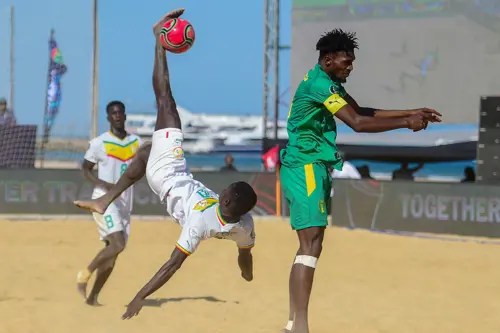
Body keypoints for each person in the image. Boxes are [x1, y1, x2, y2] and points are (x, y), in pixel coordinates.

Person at [74, 8, 256, 319]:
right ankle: (105, 200)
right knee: (145, 150)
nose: (222, 187)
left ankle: (159, 38)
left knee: (166, 100)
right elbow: (245, 253)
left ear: (225, 199)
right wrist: (246, 273)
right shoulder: (245, 226)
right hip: (171, 177)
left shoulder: (199, 225)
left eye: (225, 189)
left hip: (168, 176)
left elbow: (172, 265)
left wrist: (139, 297)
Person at [279, 29, 442, 333]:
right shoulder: (320, 85)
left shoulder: (326, 81)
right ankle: (298, 325)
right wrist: (407, 124)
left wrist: (412, 111)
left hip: (314, 165)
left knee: (311, 245)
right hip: (305, 167)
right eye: (346, 61)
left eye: (352, 61)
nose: (350, 67)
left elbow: (362, 111)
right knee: (310, 244)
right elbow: (358, 124)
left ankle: (293, 324)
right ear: (328, 60)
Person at [77, 100, 144, 306]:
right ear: (108, 117)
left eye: (120, 112)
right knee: (118, 244)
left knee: (113, 253)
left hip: (125, 202)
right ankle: (84, 275)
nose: (117, 116)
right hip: (104, 201)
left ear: (124, 116)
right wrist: (102, 183)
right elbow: (86, 169)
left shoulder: (136, 142)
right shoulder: (99, 142)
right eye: (113, 113)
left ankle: (93, 297)